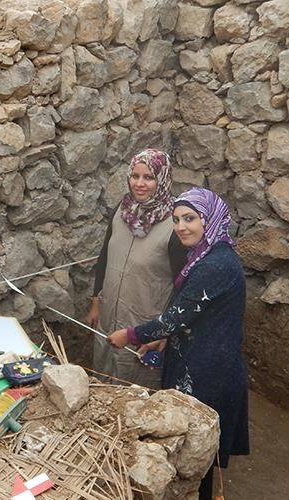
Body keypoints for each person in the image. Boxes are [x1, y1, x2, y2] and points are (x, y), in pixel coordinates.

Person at [108, 187, 249, 500]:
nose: (181, 226)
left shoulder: (215, 266)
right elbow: (193, 315)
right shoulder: (208, 254)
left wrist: (131, 335)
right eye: (176, 219)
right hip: (202, 358)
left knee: (199, 452)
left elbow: (175, 317)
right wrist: (165, 338)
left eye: (190, 218)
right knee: (198, 452)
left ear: (209, 220)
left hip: (208, 371)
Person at [85, 148, 186, 389]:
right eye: (135, 176)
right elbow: (105, 257)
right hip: (109, 311)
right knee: (102, 372)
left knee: (134, 385)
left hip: (144, 319)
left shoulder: (175, 225)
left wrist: (164, 331)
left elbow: (183, 284)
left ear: (162, 180)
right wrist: (96, 302)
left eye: (149, 178)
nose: (139, 184)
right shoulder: (122, 210)